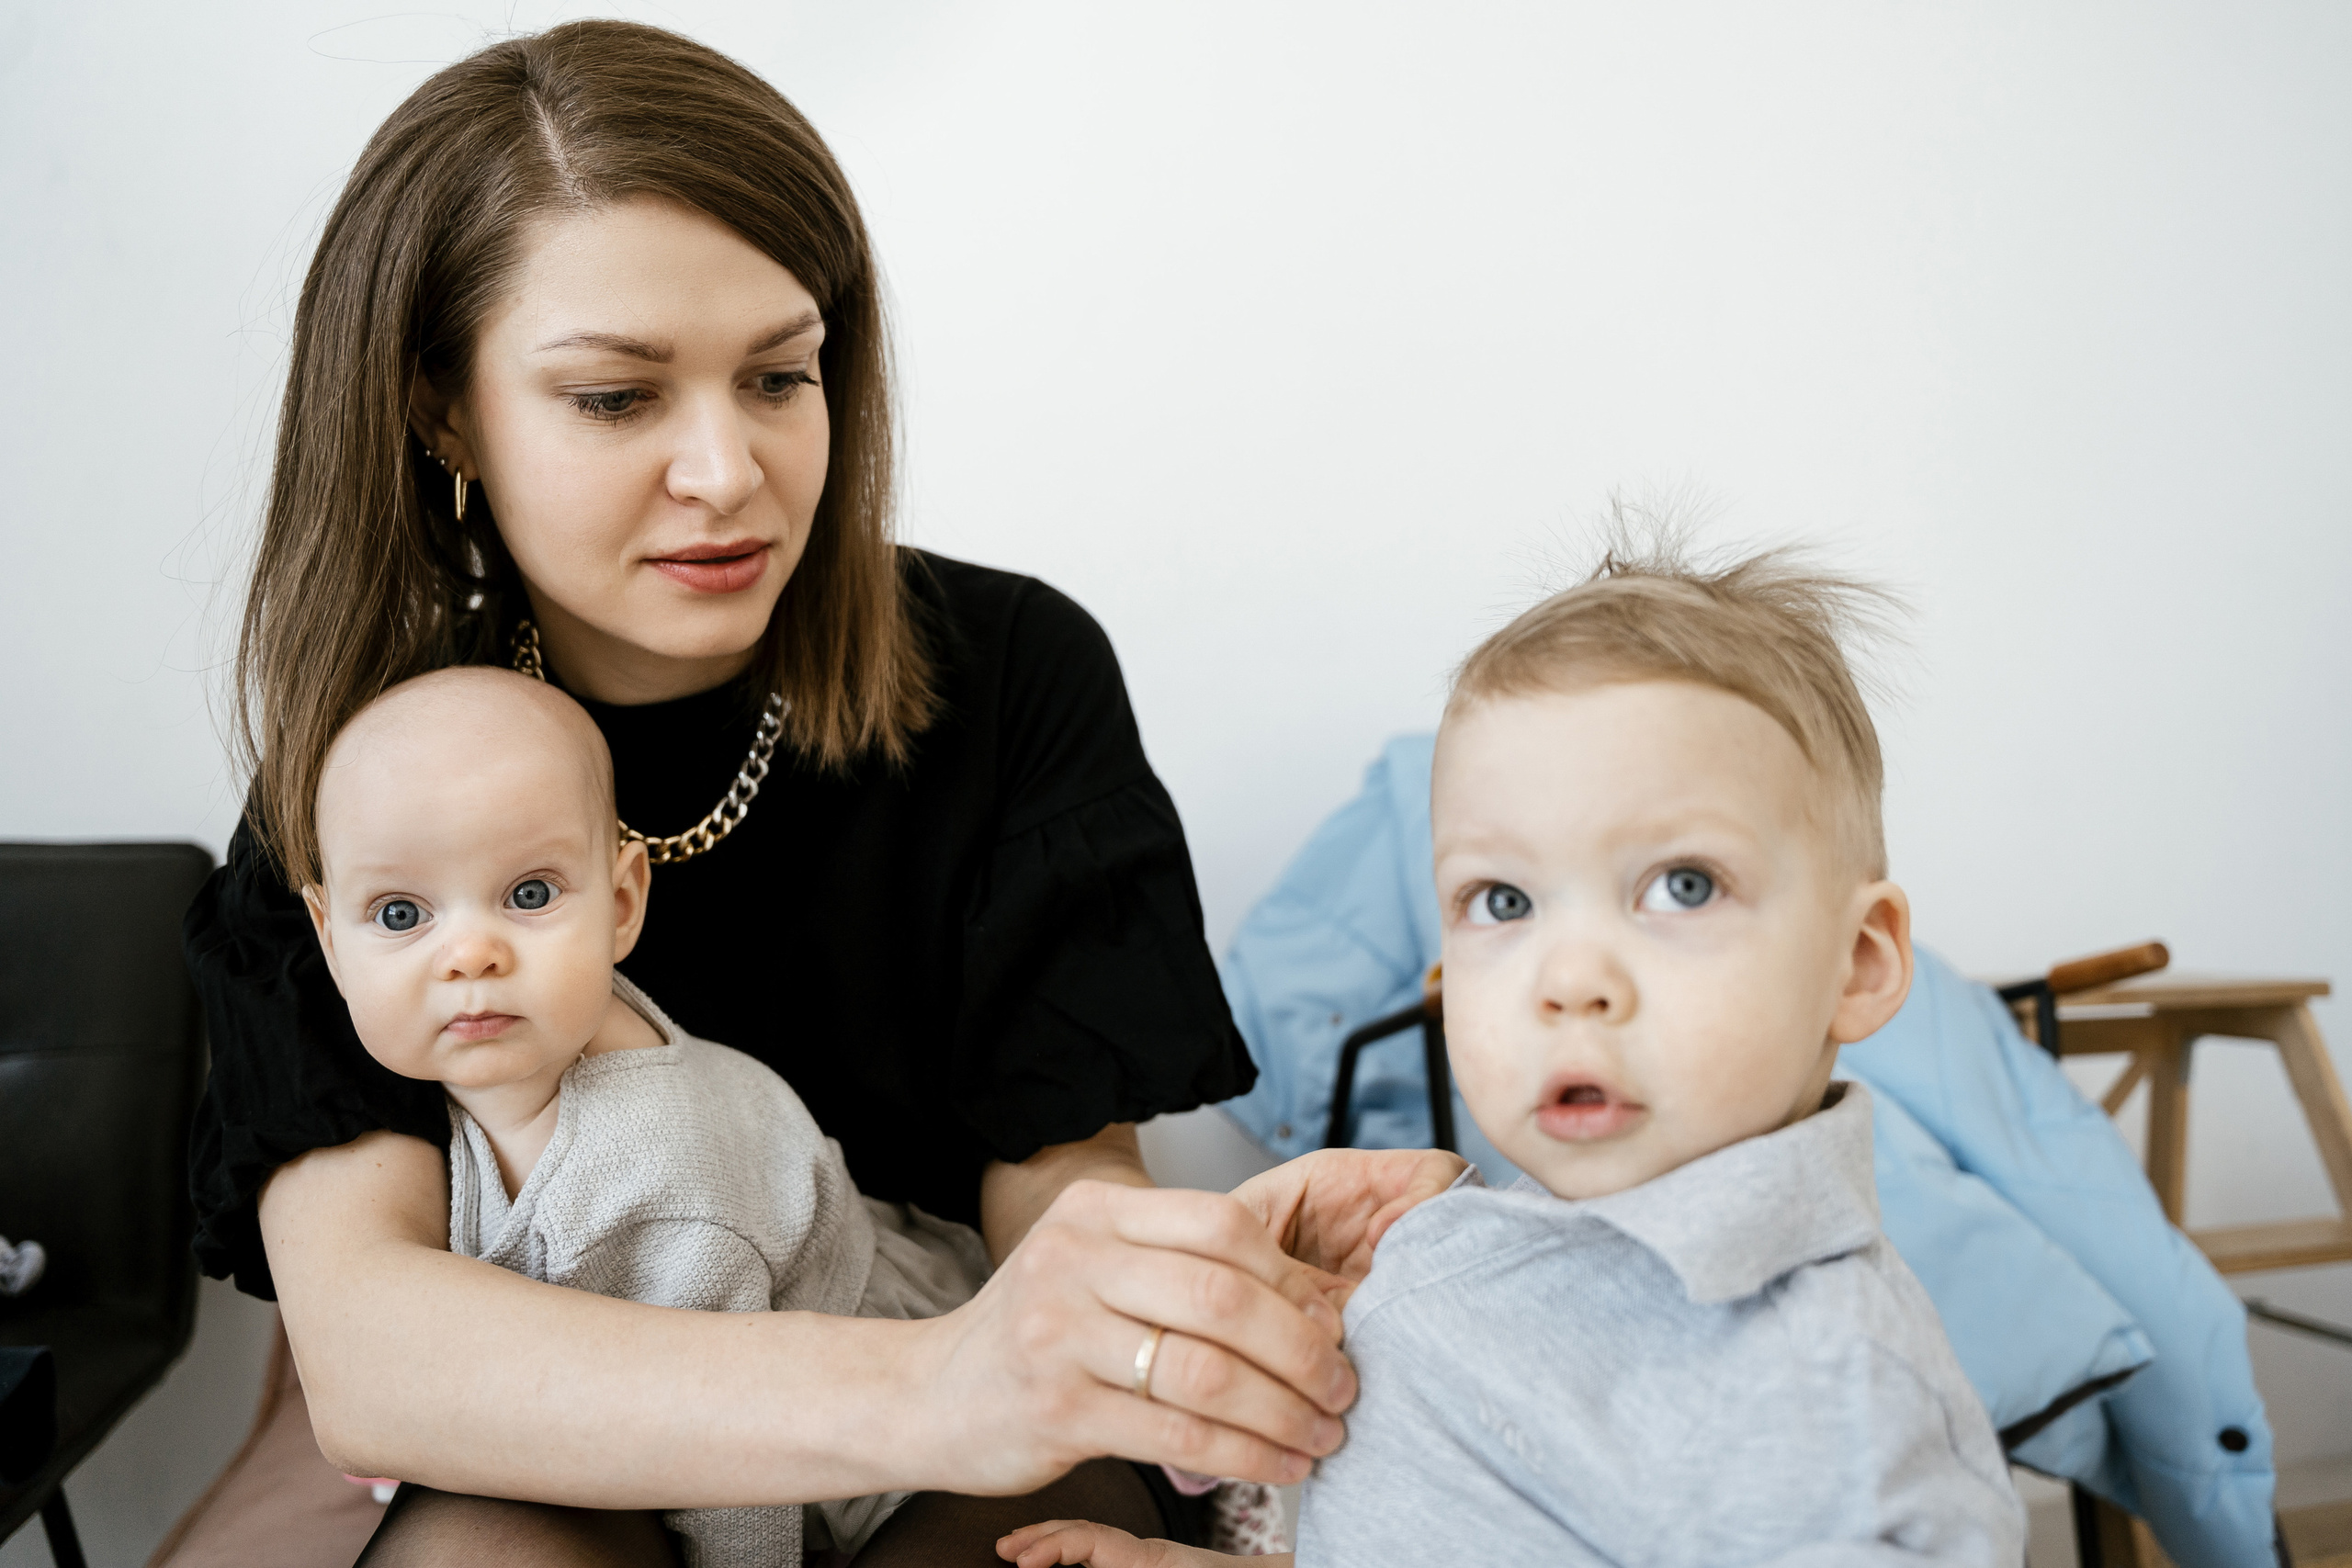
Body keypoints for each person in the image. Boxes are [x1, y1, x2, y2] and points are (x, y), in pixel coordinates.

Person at [182, 20, 1460, 1565]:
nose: (729, 469)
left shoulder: (1014, 673)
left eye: (780, 375)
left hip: (960, 1454)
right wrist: (944, 1383)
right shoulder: (361, 773)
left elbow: (1058, 1205)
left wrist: (1183, 1293)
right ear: (443, 408)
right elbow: (375, 1359)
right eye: (617, 398)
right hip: (589, 1453)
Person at [997, 541, 2029, 1567]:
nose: (1567, 978)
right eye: (1503, 903)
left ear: (1855, 964)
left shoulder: (1834, 1399)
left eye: (1681, 886)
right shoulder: (1457, 1247)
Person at [302, 666, 1003, 1563]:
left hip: (869, 1457)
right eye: (401, 913)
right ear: (328, 937)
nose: (469, 954)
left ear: (623, 901)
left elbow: (735, 1452)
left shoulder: (670, 1188)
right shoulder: (466, 1072)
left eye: (528, 895)